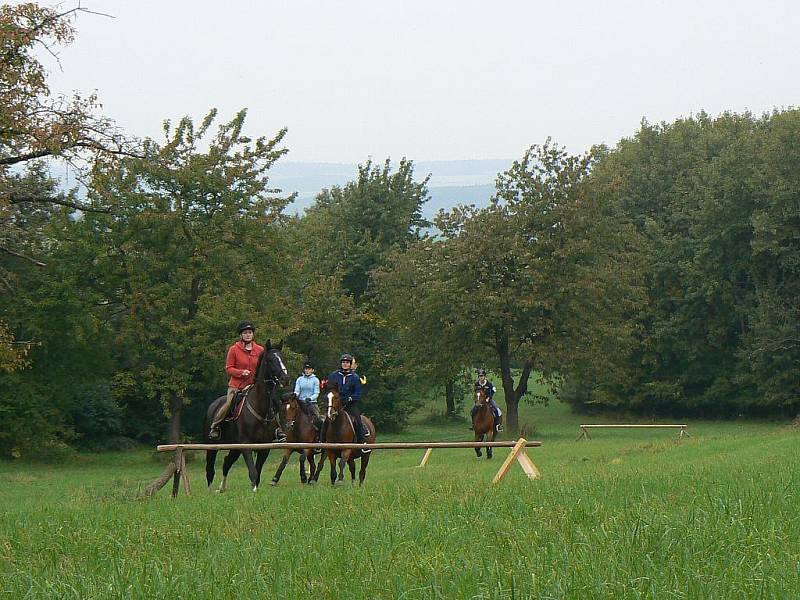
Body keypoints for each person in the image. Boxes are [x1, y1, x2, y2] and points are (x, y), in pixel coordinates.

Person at [209, 321, 264, 439]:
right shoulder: (234, 349)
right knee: (229, 403)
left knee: (269, 401)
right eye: (245, 333)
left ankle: (277, 429)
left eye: (250, 332)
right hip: (237, 386)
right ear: (241, 335)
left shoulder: (260, 350)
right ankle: (215, 426)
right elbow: (229, 368)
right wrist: (241, 373)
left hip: (253, 386)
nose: (248, 335)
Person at [325, 353, 371, 451]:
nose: (345, 364)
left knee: (357, 419)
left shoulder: (355, 377)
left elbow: (357, 393)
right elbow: (330, 388)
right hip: (336, 403)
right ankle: (321, 442)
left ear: (350, 364)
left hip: (349, 404)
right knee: (326, 420)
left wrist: (350, 398)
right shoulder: (334, 375)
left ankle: (363, 443)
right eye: (343, 362)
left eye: (347, 362)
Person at [472, 368, 503, 432]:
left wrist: (489, 398)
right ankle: (473, 425)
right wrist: (477, 400)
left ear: (484, 376)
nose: (481, 377)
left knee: (497, 410)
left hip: (488, 400)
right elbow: (476, 393)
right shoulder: (476, 384)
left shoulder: (489, 384)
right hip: (480, 401)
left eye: (482, 376)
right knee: (473, 410)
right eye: (479, 376)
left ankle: (497, 425)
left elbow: (493, 391)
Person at [294, 361, 323, 430]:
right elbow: (297, 390)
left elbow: (316, 393)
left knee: (318, 419)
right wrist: (295, 395)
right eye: (306, 369)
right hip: (300, 402)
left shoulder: (315, 380)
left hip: (311, 403)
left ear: (312, 370)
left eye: (309, 369)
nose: (307, 371)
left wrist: (310, 398)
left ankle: (320, 436)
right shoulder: (299, 379)